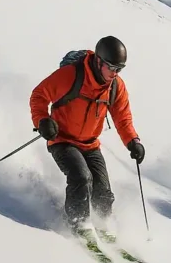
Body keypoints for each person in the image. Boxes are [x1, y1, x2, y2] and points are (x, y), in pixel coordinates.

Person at [29, 35, 144, 234]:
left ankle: (103, 225)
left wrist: (133, 141)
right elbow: (39, 95)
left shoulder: (116, 87)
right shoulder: (72, 75)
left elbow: (122, 118)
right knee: (81, 177)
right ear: (99, 61)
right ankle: (79, 223)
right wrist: (42, 121)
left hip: (90, 145)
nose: (115, 73)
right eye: (112, 67)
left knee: (103, 193)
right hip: (62, 140)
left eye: (119, 69)